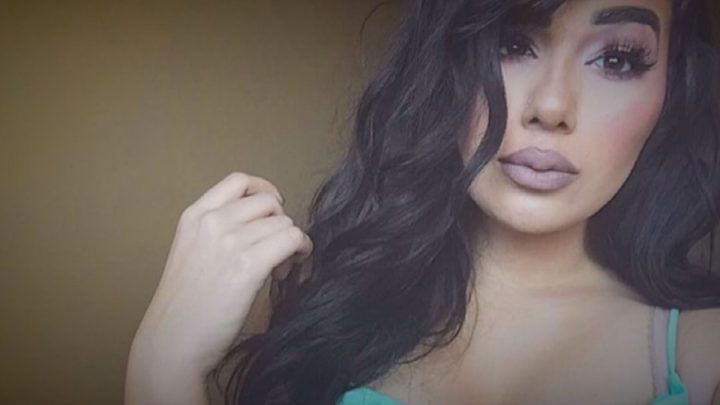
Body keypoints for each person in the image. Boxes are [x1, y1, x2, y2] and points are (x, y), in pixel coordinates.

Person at [124, 0, 720, 404]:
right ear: (445, 67)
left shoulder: (703, 356)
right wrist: (162, 365)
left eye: (617, 59)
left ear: (670, 91)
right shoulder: (339, 313)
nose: (551, 107)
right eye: (511, 44)